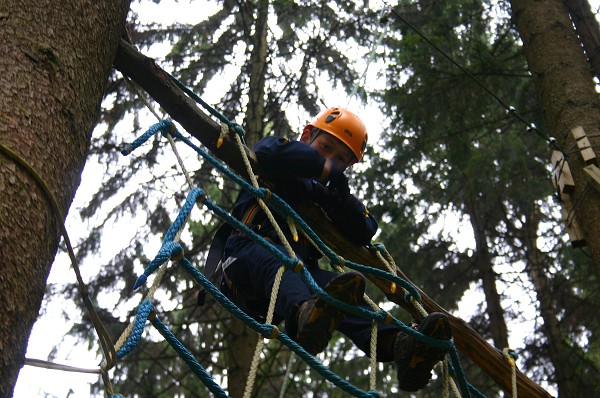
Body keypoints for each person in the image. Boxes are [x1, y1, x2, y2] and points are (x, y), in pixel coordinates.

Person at [212, 106, 452, 392]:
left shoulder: (326, 196)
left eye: (340, 160)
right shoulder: (279, 153)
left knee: (347, 295)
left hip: (290, 285)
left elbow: (366, 228)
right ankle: (305, 315)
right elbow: (268, 153)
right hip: (242, 259)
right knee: (280, 262)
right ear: (307, 134)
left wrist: (335, 193)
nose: (330, 162)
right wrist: (321, 169)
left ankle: (399, 346)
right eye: (325, 147)